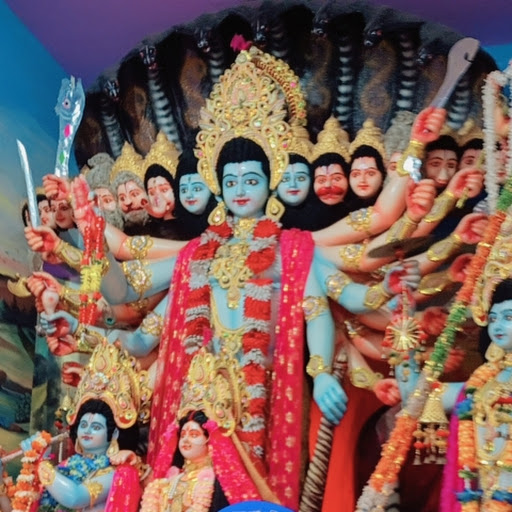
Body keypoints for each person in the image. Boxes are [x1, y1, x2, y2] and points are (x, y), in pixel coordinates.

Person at [43, 45, 422, 510]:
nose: (241, 190)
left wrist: (323, 372)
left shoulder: (293, 249)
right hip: (198, 408)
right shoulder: (193, 258)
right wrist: (90, 233)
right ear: (218, 185)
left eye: (252, 180)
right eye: (232, 181)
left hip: (268, 398)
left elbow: (317, 309)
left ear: (271, 180)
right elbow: (125, 295)